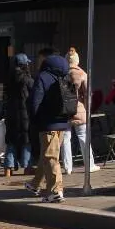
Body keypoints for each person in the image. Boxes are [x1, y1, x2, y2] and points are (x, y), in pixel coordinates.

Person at [25, 50, 70, 203]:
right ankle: (35, 184)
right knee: (48, 154)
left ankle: (55, 191)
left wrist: (34, 120)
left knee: (51, 157)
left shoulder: (43, 77)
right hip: (62, 122)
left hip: (47, 123)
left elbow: (34, 102)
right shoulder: (65, 77)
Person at [59, 49, 99, 175]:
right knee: (83, 137)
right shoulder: (82, 74)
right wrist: (88, 109)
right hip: (79, 109)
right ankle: (89, 165)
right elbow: (87, 94)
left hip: (65, 110)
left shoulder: (61, 74)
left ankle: (67, 167)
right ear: (77, 60)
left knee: (65, 139)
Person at [3, 54, 33, 177]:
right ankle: (27, 167)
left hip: (11, 113)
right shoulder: (27, 79)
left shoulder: (8, 78)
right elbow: (33, 93)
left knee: (11, 140)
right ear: (24, 64)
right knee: (26, 140)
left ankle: (8, 168)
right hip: (25, 113)